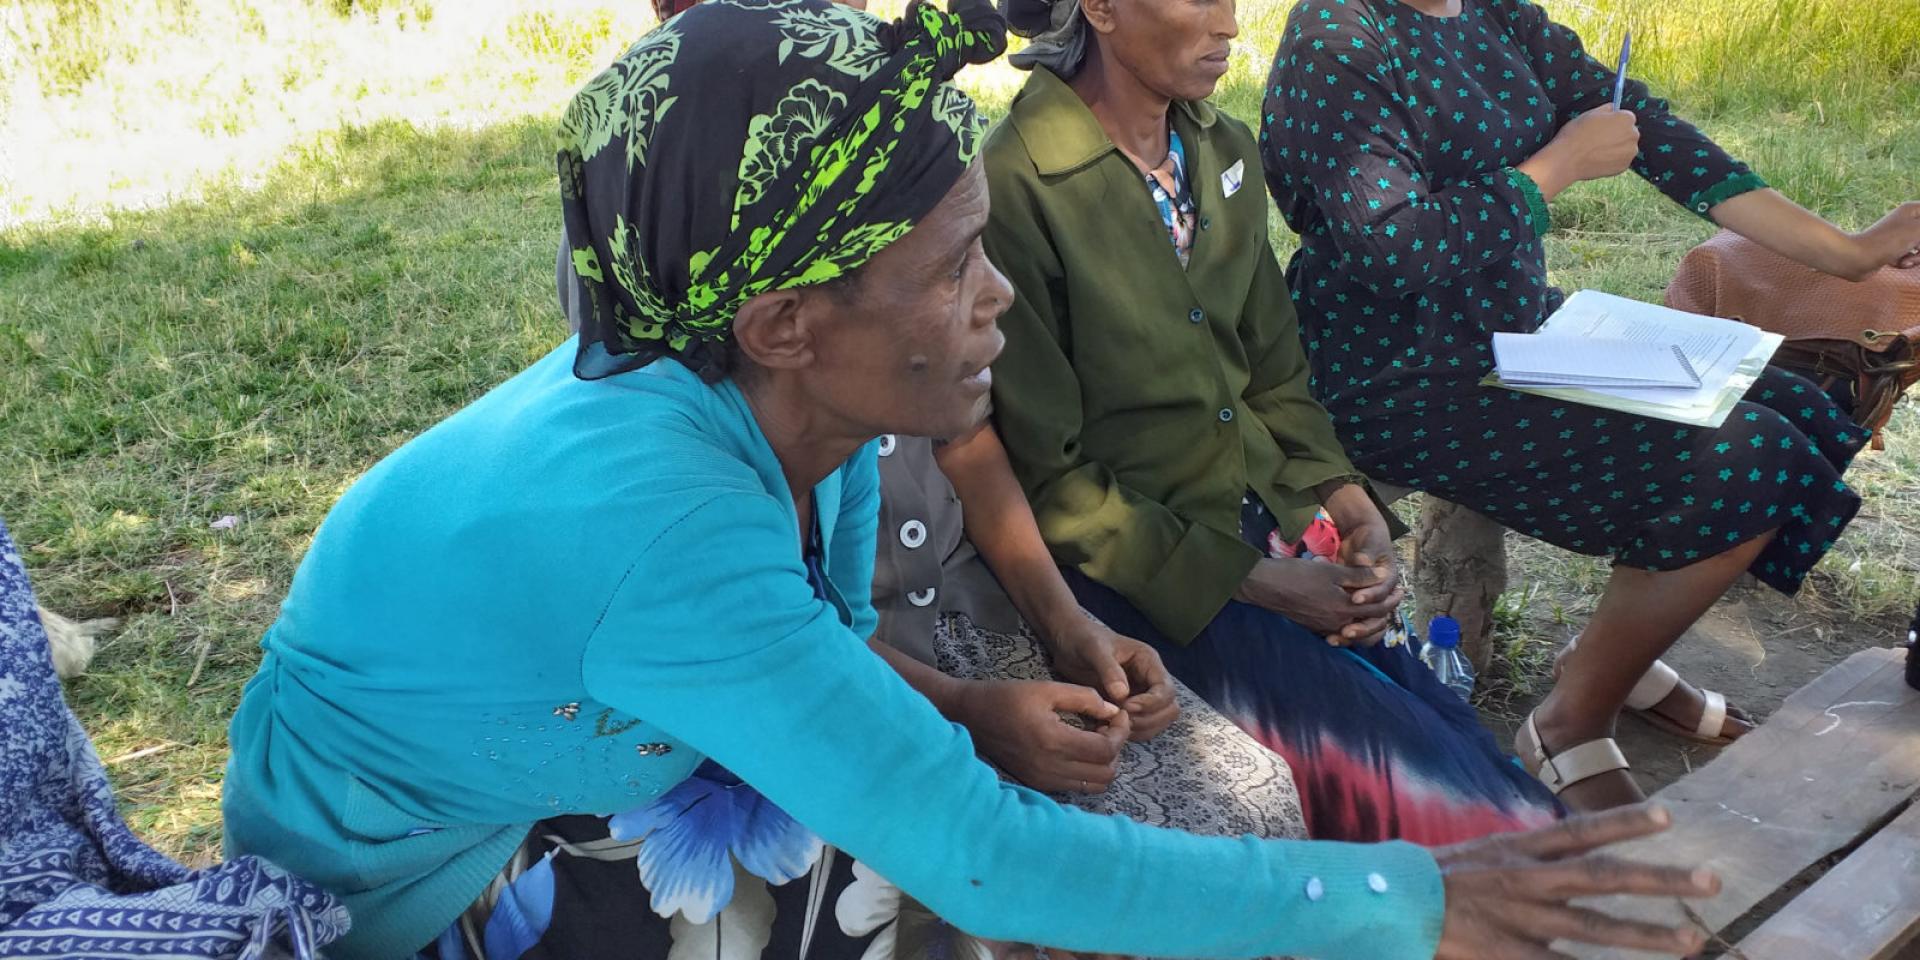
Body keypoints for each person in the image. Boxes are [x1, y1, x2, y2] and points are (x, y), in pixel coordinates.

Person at [223, 2, 1723, 959]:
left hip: (556, 736)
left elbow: (809, 639)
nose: (1000, 297)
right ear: (786, 325)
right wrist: (1414, 901)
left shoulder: (796, 422)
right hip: (410, 873)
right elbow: (992, 857)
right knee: (926, 889)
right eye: (955, 269)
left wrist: (965, 704)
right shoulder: (664, 519)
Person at [1260, 0, 1920, 809]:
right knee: (1748, 460)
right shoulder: (1340, 34)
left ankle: (1614, 658)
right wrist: (1557, 168)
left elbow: (1644, 128)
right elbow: (1391, 249)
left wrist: (1849, 254)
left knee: (1801, 407)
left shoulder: (1497, 15)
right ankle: (1570, 721)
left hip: (1514, 329)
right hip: (1391, 370)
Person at [983, 0, 1561, 847]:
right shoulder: (1018, 183)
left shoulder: (1219, 152)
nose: (1228, 25)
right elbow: (1052, 483)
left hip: (1270, 527)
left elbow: (1274, 373)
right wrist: (1257, 583)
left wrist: (1346, 500)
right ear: (1098, 8)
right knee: (1448, 806)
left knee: (1460, 748)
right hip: (1145, 574)